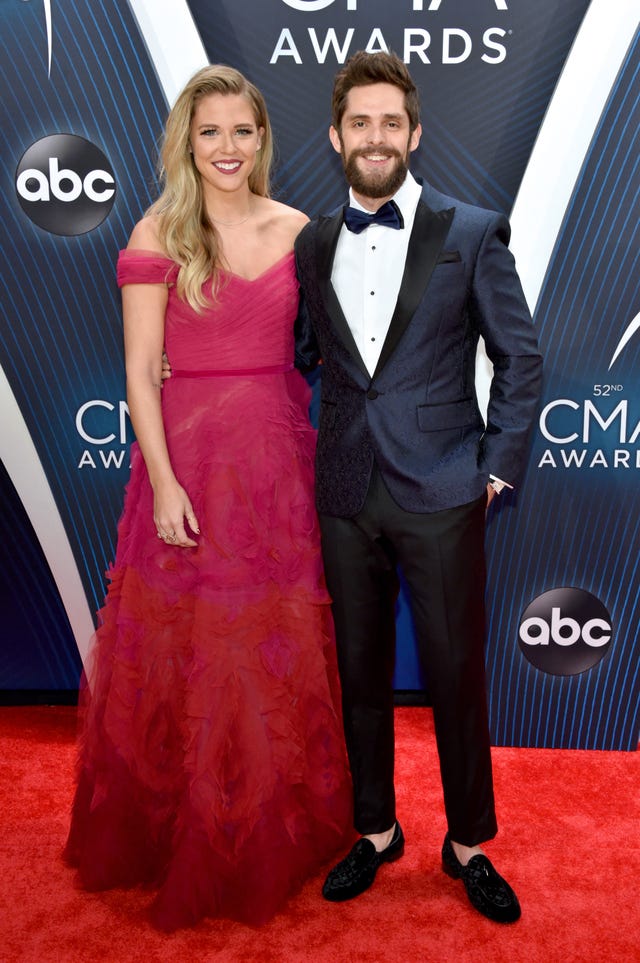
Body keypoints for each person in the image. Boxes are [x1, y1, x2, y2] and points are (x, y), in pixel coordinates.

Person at [63, 64, 352, 931]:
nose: (228, 148)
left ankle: (274, 823)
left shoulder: (302, 229)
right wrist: (160, 482)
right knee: (191, 649)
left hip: (279, 461)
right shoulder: (160, 232)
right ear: (187, 141)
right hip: (188, 460)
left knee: (271, 646)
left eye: (244, 131)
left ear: (264, 139)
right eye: (211, 132)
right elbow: (138, 379)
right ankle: (180, 831)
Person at [293, 51, 543, 923]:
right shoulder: (313, 241)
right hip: (347, 489)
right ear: (335, 136)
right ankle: (375, 829)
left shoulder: (471, 230)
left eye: (389, 122)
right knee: (357, 670)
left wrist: (495, 470)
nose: (374, 136)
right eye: (358, 122)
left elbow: (520, 357)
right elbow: (304, 352)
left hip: (444, 488)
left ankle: (469, 841)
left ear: (415, 133)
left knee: (455, 672)